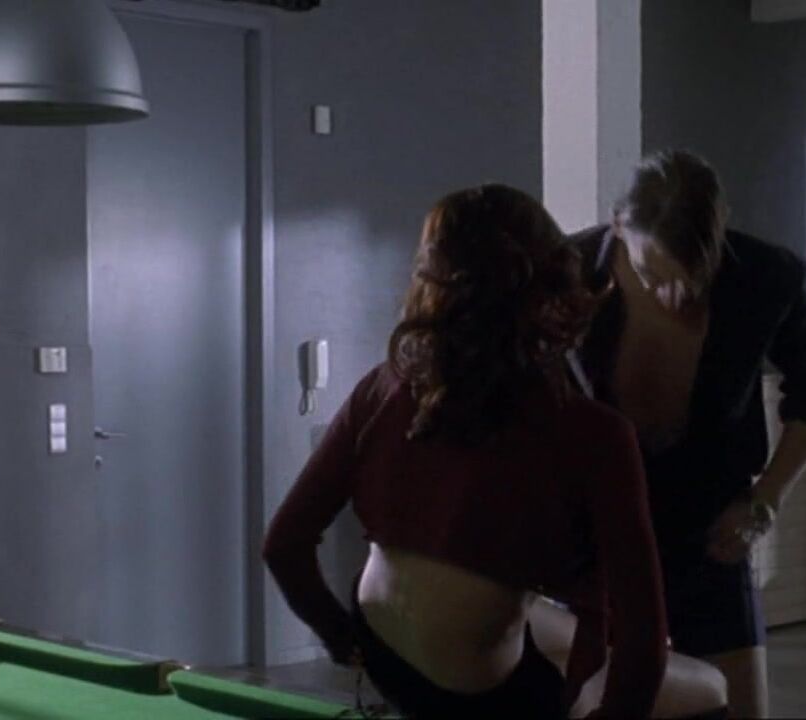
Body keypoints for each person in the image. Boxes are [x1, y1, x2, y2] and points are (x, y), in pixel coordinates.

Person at [263, 184, 728, 718]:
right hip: (483, 696)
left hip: (385, 651)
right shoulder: (593, 433)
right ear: (549, 285)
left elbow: (283, 546)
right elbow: (645, 643)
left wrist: (343, 640)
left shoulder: (382, 387)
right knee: (710, 686)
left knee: (560, 629)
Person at [565, 150, 806, 718]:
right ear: (618, 225)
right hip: (595, 524)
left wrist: (766, 499)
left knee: (739, 709)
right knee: (600, 703)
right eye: (653, 274)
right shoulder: (566, 271)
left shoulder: (769, 277)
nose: (674, 297)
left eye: (694, 279)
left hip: (708, 521)